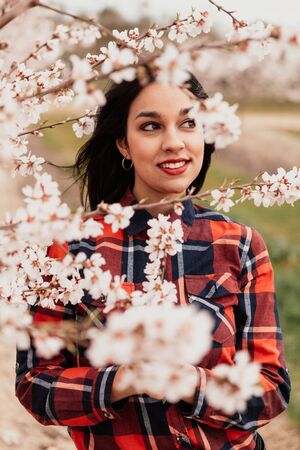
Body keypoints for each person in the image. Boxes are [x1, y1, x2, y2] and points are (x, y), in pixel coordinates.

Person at [15, 73, 290, 450]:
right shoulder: (69, 248)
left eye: (188, 123)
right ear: (123, 145)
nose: (174, 142)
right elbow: (35, 385)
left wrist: (190, 382)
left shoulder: (239, 244)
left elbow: (271, 388)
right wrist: (122, 381)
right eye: (150, 126)